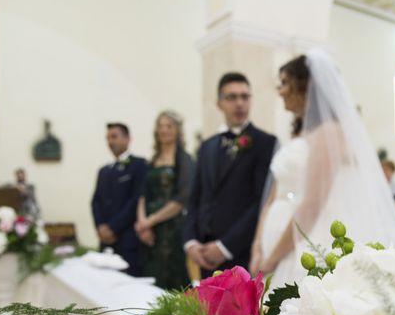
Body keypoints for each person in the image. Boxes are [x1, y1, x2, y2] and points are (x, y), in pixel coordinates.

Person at [249, 50, 395, 286]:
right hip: (274, 246)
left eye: (285, 82)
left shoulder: (329, 133)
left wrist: (272, 260)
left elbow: (312, 205)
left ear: (305, 85)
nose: (279, 90)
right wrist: (257, 246)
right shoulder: (301, 134)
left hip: (302, 245)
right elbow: (273, 195)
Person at [183, 73, 277, 278]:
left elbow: (261, 202)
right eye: (232, 97)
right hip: (203, 254)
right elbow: (195, 198)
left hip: (240, 253)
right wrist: (191, 242)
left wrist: (225, 247)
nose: (240, 103)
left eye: (245, 96)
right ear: (219, 103)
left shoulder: (265, 143)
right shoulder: (207, 146)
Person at [135, 110, 194, 290]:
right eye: (160, 126)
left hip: (173, 228)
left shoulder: (184, 159)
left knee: (173, 278)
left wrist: (150, 221)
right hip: (150, 230)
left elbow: (181, 198)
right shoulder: (152, 160)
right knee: (150, 277)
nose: (164, 130)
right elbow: (143, 195)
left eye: (168, 126)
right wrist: (142, 223)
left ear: (177, 130)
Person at [91, 123, 147, 276]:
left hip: (127, 240)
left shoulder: (139, 165)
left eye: (114, 137)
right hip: (105, 242)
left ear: (127, 139)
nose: (110, 141)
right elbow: (95, 201)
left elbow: (136, 200)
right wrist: (100, 227)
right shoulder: (103, 171)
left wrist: (113, 228)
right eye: (108, 138)